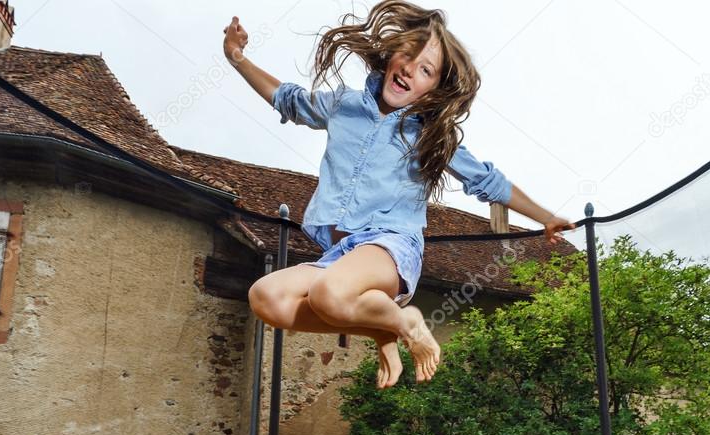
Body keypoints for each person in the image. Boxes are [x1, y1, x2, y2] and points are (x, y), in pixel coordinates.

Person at [223, 1, 575, 388]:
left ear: (433, 88)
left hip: (391, 245)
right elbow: (288, 100)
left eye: (426, 70)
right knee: (267, 298)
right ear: (391, 55)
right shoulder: (343, 106)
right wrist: (238, 58)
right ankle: (381, 329)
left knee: (328, 292)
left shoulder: (430, 134)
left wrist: (545, 217)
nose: (411, 69)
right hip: (341, 255)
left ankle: (406, 320)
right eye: (408, 55)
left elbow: (489, 181)